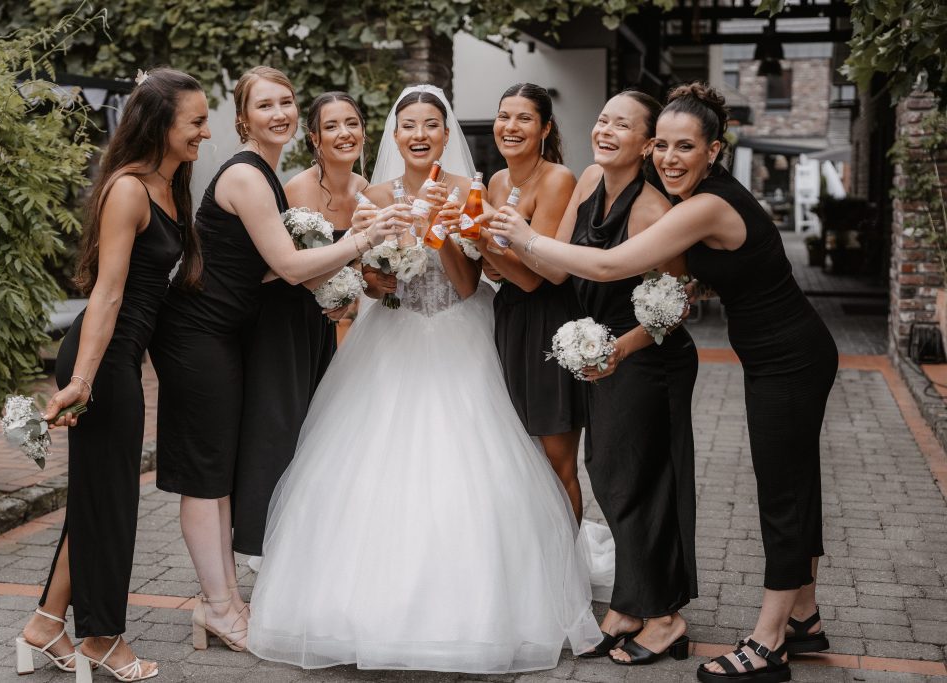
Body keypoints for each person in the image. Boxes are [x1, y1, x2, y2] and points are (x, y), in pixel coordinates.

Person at [246, 84, 603, 675]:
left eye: (431, 125)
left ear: (445, 134)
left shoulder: (470, 192)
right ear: (395, 135)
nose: (419, 135)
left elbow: (467, 284)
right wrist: (381, 274)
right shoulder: (374, 195)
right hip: (390, 337)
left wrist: (446, 228)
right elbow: (368, 280)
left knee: (476, 466)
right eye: (408, 125)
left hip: (460, 334)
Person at [489, 82, 838, 683]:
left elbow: (610, 265)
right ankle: (803, 618)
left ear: (714, 151)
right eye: (664, 148)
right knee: (788, 482)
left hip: (791, 356)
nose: (671, 159)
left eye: (686, 147)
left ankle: (770, 639)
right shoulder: (679, 195)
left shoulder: (703, 205)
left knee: (783, 491)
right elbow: (653, 280)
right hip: (767, 354)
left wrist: (521, 235)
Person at [150, 66, 404, 654]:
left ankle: (229, 601)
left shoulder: (261, 169)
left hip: (225, 333)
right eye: (266, 105)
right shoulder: (246, 173)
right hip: (198, 334)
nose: (281, 113)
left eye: (287, 102)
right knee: (205, 475)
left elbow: (261, 265)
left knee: (218, 472)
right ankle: (219, 607)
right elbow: (288, 268)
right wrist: (364, 238)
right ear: (244, 118)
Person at [17, 68, 210, 681]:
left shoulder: (171, 184)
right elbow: (106, 294)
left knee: (99, 497)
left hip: (121, 360)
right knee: (113, 502)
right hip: (101, 360)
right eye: (197, 122)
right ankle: (101, 637)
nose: (206, 132)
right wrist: (82, 382)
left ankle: (46, 626)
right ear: (161, 125)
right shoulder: (128, 190)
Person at [514, 90, 698, 664]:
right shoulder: (591, 178)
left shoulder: (655, 211)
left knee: (643, 481)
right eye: (602, 119)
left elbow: (673, 303)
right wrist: (495, 240)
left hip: (646, 354)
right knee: (609, 473)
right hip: (602, 353)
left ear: (646, 144)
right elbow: (553, 263)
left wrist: (619, 349)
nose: (606, 131)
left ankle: (665, 617)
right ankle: (628, 605)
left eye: (622, 125)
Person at [230, 91, 370, 558]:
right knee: (277, 430)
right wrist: (328, 288)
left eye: (351, 123)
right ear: (313, 137)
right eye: (331, 126)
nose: (344, 133)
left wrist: (347, 299)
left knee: (318, 431)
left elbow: (359, 268)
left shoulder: (365, 188)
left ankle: (305, 540)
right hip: (281, 320)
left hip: (322, 326)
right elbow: (280, 266)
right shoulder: (297, 190)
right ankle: (258, 544)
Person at [469, 83, 586, 522]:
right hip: (510, 317)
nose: (510, 127)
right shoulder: (498, 181)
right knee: (519, 456)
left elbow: (539, 277)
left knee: (557, 461)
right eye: (504, 116)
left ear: (544, 128)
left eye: (523, 118)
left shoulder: (558, 178)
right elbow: (504, 266)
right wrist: (489, 259)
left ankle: (567, 571)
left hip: (548, 322)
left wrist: (483, 243)